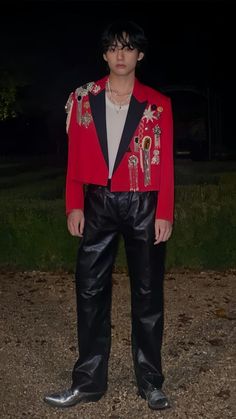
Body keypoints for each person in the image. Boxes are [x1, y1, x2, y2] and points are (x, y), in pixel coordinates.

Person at [44, 20, 174, 411]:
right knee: (89, 291)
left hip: (144, 204)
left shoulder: (158, 103)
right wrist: (74, 203)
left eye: (128, 47)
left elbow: (165, 163)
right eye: (114, 47)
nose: (121, 55)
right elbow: (73, 157)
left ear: (140, 55)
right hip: (98, 203)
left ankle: (151, 382)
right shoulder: (83, 97)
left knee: (148, 295)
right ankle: (88, 382)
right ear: (105, 54)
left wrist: (163, 211)